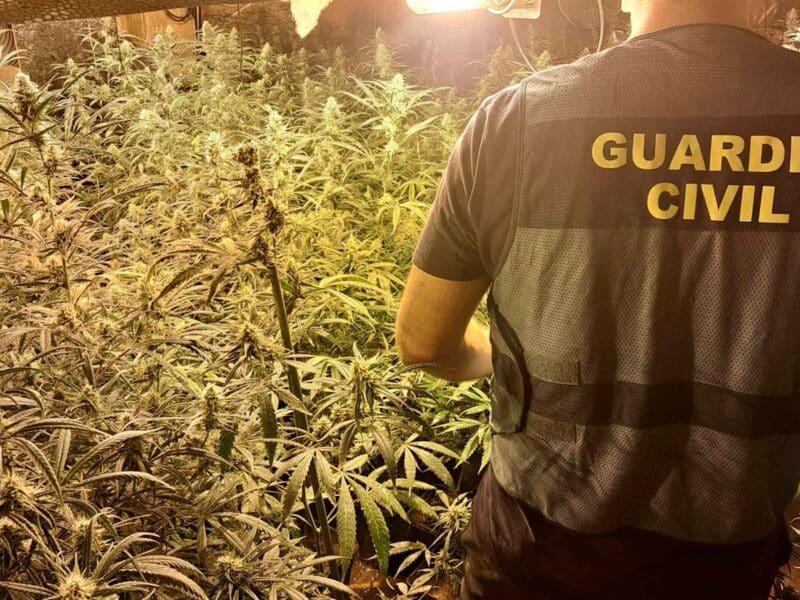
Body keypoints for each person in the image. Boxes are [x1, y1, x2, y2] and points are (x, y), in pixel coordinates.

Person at [395, 1, 800, 598]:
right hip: (724, 555)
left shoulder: (516, 120)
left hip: (538, 547)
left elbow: (424, 342)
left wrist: (497, 359)